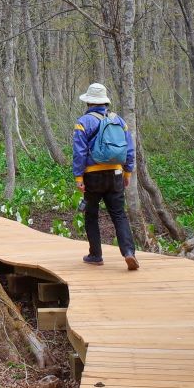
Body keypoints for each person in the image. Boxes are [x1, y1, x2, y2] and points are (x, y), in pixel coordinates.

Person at [72, 82, 139, 271]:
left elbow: (79, 152)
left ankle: (96, 255)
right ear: (104, 102)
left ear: (89, 103)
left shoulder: (83, 122)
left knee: (91, 215)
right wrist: (127, 172)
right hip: (116, 173)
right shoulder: (119, 121)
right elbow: (129, 149)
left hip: (93, 176)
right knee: (119, 215)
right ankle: (128, 253)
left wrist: (78, 177)